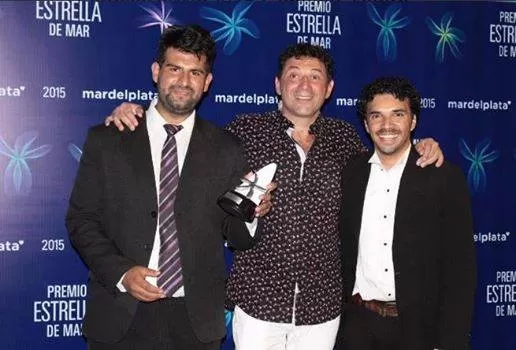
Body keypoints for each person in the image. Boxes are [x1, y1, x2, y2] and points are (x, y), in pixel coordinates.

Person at [104, 44, 443, 350]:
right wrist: (140, 115)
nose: (304, 85)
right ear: (278, 85)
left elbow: (389, 166)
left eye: (315, 77)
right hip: (257, 302)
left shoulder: (346, 140)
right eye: (294, 76)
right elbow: (185, 146)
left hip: (322, 306)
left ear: (329, 89)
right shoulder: (244, 130)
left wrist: (421, 147)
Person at [66, 24, 273, 350]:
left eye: (195, 72)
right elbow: (81, 221)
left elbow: (236, 235)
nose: (184, 81)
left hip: (195, 321)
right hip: (120, 314)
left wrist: (251, 214)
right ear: (156, 71)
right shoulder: (108, 139)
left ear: (207, 83)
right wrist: (122, 273)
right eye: (175, 69)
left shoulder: (227, 148)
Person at [336, 77, 476, 350]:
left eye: (397, 115)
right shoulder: (351, 172)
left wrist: (452, 341)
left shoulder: (443, 176)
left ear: (413, 122)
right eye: (376, 116)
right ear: (366, 124)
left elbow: (461, 268)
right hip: (357, 325)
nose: (386, 126)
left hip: (419, 329)